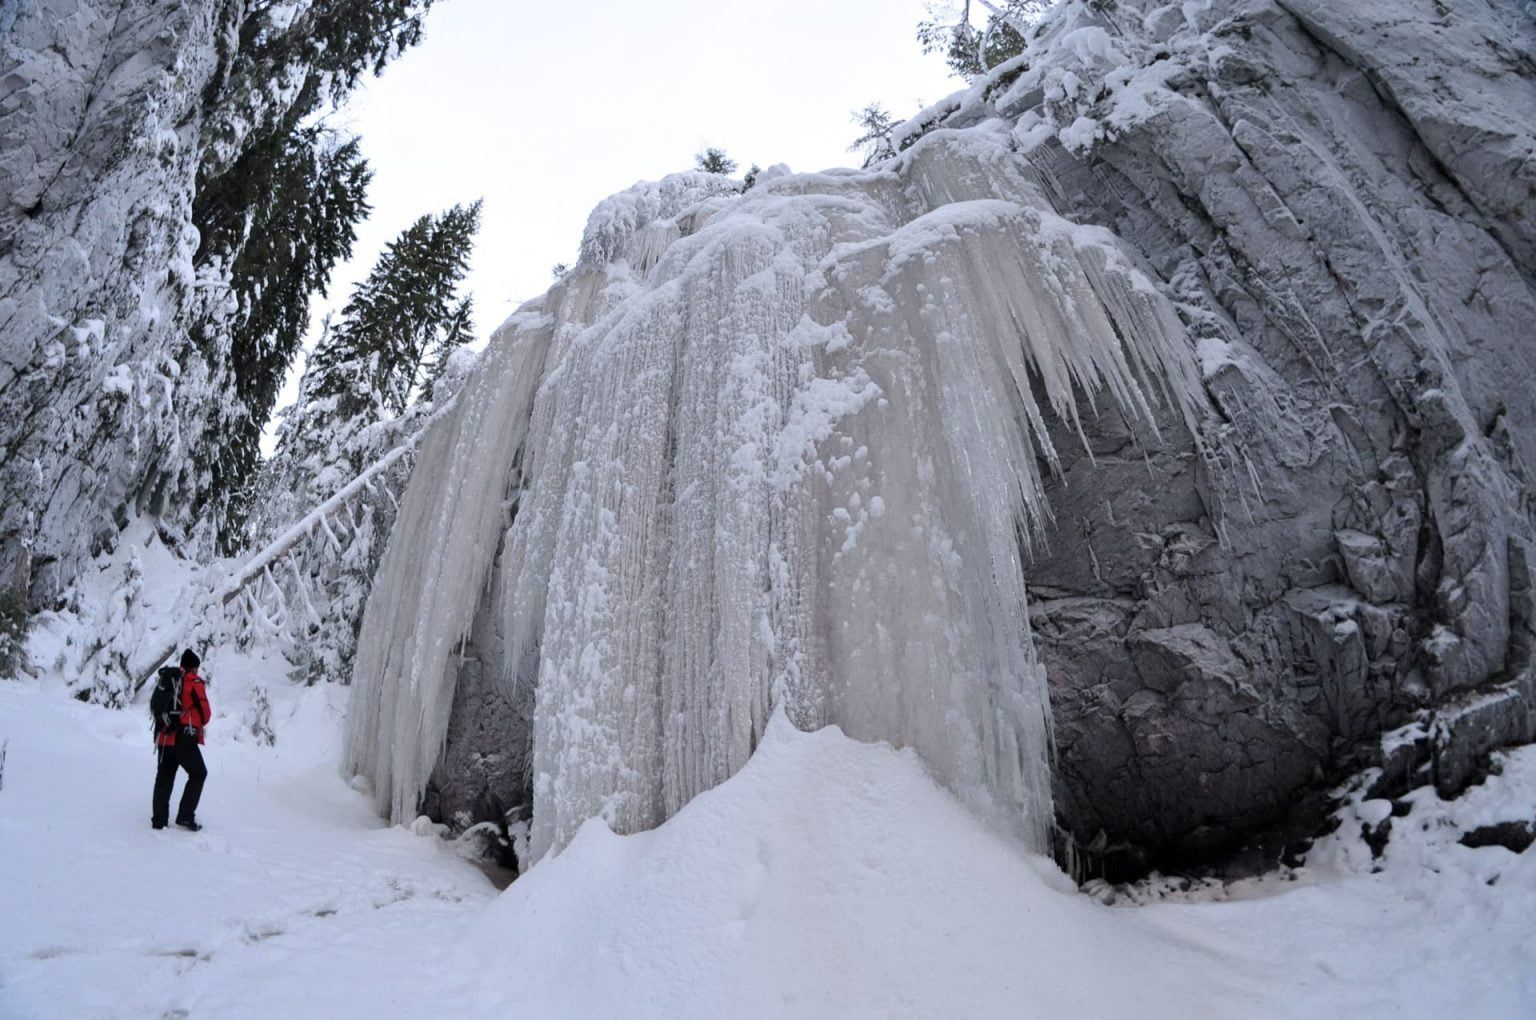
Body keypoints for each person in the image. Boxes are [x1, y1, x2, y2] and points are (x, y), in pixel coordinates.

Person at [151, 648, 211, 831]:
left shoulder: (169, 680)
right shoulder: (193, 682)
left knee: (164, 778)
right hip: (184, 737)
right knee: (199, 773)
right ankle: (185, 816)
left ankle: (159, 821)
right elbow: (206, 714)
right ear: (194, 668)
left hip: (164, 737)